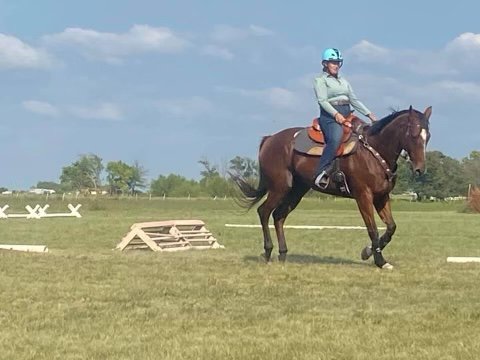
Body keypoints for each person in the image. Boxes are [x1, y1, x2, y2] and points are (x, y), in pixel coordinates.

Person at [313, 47, 377, 189]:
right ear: (325, 64)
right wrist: (336, 115)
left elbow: (354, 100)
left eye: (338, 62)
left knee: (365, 135)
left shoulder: (344, 81)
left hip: (347, 113)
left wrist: (369, 114)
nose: (336, 65)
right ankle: (321, 172)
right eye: (333, 62)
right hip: (329, 116)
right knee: (335, 138)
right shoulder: (320, 80)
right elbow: (322, 101)